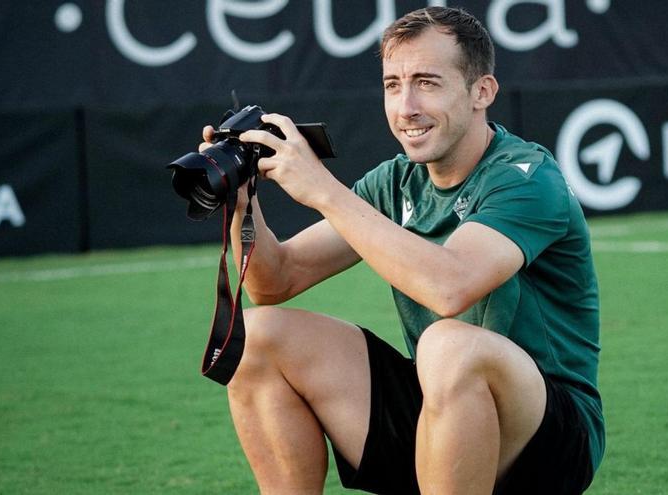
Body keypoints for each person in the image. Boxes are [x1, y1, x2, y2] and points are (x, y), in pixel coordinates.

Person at [200, 7, 603, 495]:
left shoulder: (527, 177)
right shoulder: (395, 181)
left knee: (448, 344)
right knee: (258, 338)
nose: (405, 106)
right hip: (442, 410)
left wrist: (323, 189)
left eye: (427, 83)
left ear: (483, 92)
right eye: (393, 85)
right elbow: (275, 281)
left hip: (547, 437)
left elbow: (451, 286)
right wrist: (244, 206)